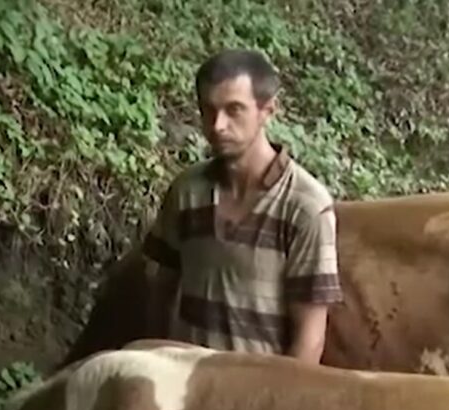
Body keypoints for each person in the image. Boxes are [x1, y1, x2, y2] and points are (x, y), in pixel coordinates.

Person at [142, 48, 343, 364]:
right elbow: (160, 293)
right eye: (208, 110)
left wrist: (276, 395)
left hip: (256, 389)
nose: (218, 125)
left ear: (267, 110)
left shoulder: (305, 206)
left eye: (234, 110)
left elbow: (309, 338)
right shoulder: (186, 191)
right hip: (185, 384)